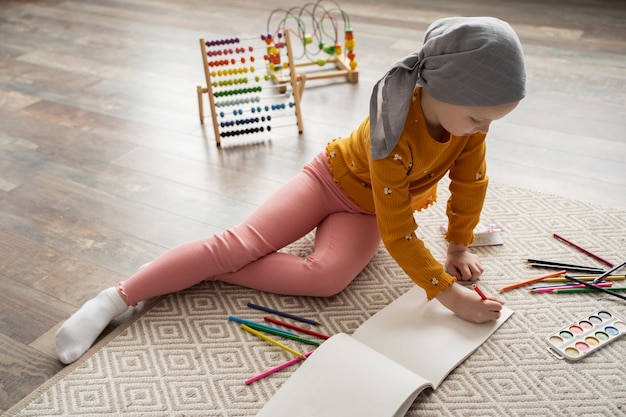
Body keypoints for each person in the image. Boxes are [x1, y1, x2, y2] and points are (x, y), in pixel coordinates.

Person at [56, 16, 526, 365]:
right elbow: (401, 231)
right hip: (327, 181)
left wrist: (459, 245)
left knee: (325, 279)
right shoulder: (395, 133)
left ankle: (195, 269)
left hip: (364, 213)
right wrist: (449, 295)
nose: (482, 130)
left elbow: (471, 183)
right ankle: (118, 296)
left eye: (491, 120)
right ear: (439, 88)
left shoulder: (470, 130)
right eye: (477, 117)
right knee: (238, 245)